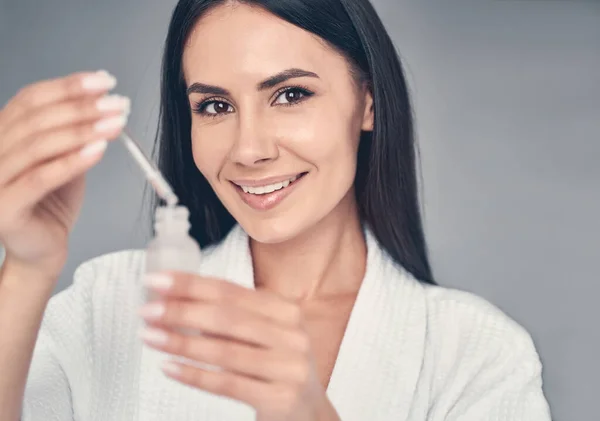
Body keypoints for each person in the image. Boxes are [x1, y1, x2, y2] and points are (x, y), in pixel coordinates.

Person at [0, 0, 553, 420]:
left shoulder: (476, 352)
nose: (248, 149)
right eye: (215, 106)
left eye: (289, 95)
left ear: (368, 100)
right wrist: (26, 268)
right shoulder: (108, 305)